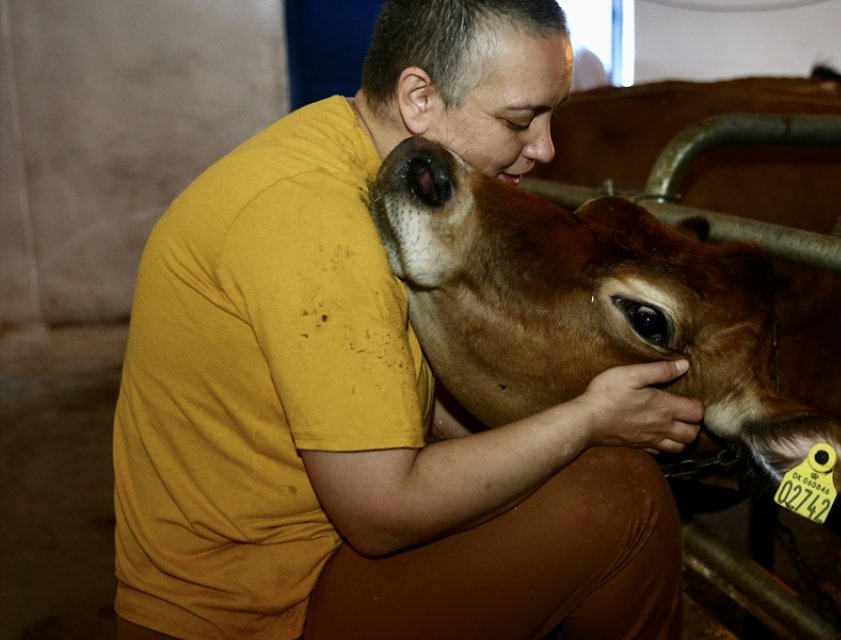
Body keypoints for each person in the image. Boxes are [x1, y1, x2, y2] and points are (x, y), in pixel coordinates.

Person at [112, 1, 703, 638]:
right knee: (623, 495)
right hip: (252, 609)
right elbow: (382, 511)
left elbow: (415, 402)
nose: (546, 148)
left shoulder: (343, 149)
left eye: (551, 115)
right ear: (418, 98)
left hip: (287, 562)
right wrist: (589, 419)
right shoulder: (318, 225)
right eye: (518, 119)